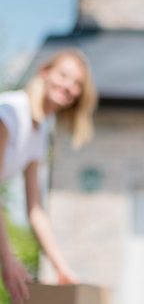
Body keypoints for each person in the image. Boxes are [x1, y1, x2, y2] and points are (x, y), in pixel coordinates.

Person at [0, 49, 97, 302]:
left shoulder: (40, 131)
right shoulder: (9, 113)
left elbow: (36, 210)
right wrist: (7, 259)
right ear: (45, 72)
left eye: (77, 83)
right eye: (64, 75)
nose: (69, 86)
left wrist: (61, 267)